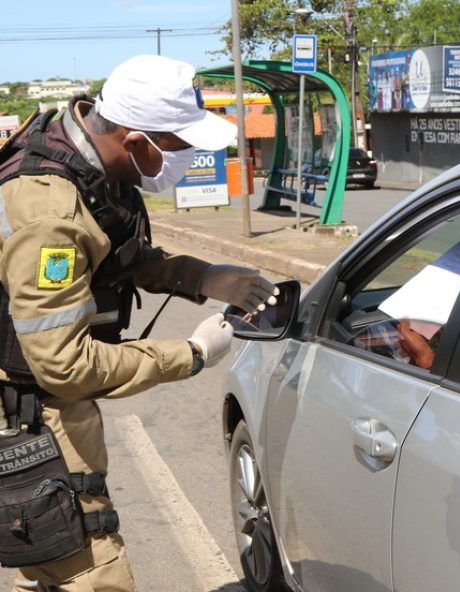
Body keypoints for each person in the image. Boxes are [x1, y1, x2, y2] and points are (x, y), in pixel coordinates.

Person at [0, 55, 276, 591]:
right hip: (33, 412)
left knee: (51, 570)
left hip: (43, 403)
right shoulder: (49, 214)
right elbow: (65, 365)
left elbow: (113, 252)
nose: (188, 157)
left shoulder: (90, 161)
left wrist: (200, 276)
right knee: (92, 572)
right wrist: (193, 353)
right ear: (135, 139)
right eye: (178, 144)